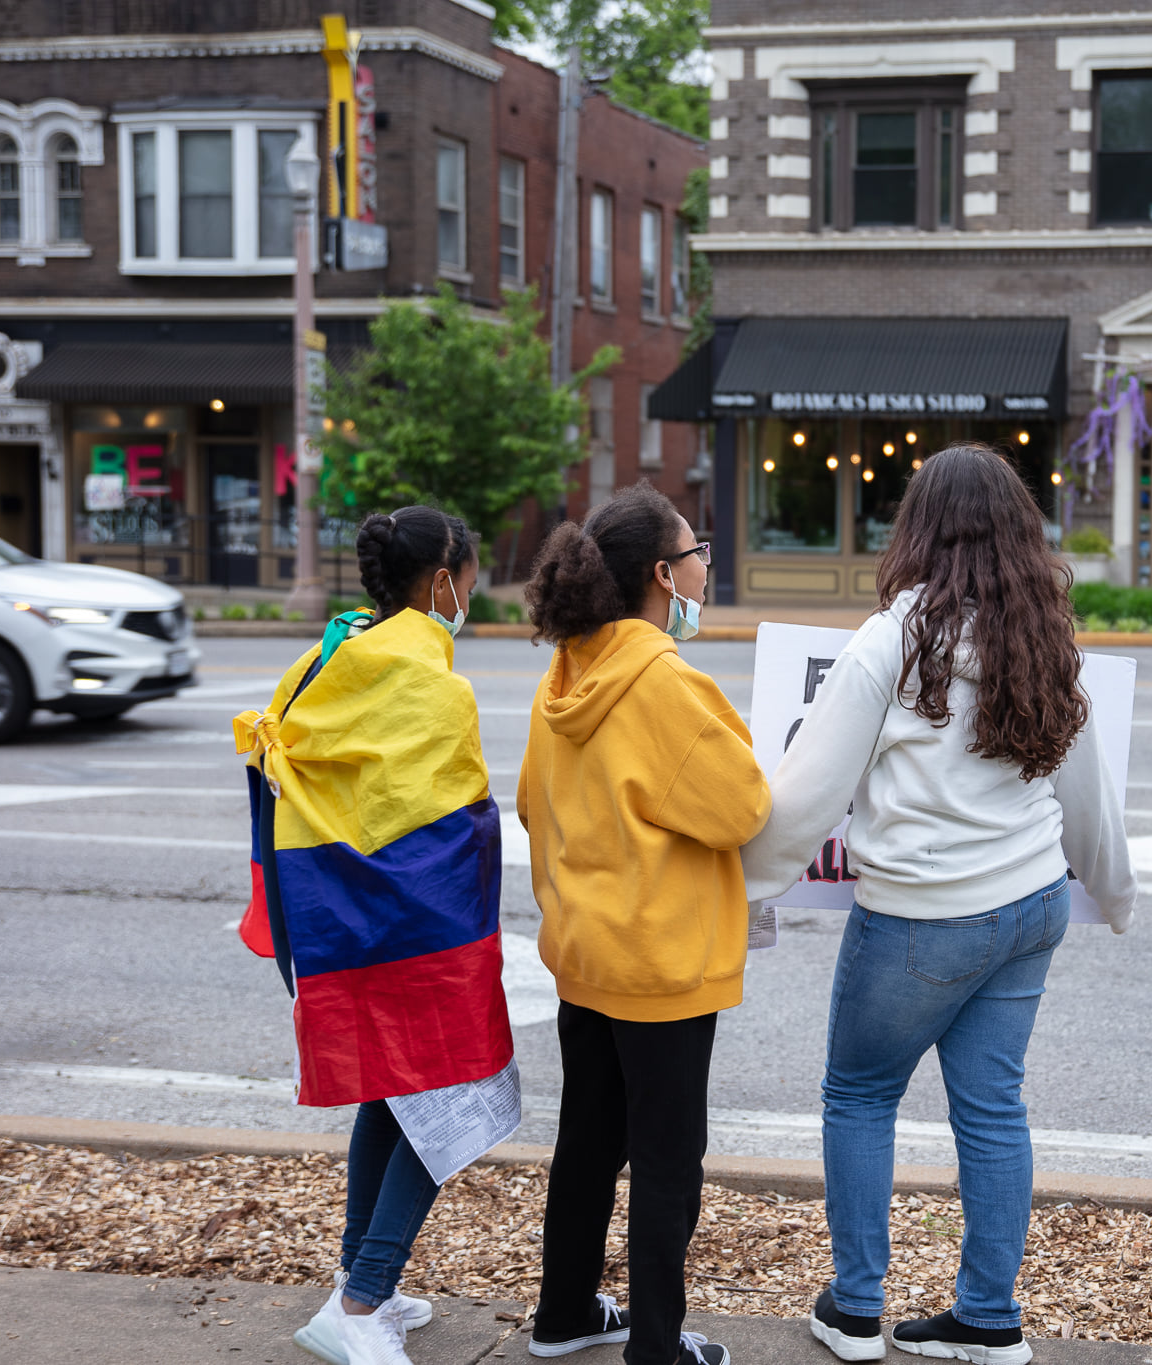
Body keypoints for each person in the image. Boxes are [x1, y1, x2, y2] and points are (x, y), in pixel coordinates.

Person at [741, 445, 1136, 1365]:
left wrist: (743, 878)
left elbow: (809, 796)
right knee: (994, 1109)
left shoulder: (890, 639)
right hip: (1032, 904)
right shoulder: (1044, 637)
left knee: (860, 1092)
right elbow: (1089, 797)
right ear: (1018, 532)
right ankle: (989, 1315)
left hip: (923, 914)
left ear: (917, 526)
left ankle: (854, 1308)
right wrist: (1112, 896)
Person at [233, 506, 508, 1365]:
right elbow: (457, 823)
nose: (473, 590)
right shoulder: (431, 683)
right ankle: (361, 1301)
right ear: (440, 583)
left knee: (390, 1094)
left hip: (331, 924)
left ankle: (360, 1286)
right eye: (469, 575)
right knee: (447, 1098)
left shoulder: (329, 658)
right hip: (417, 935)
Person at [516, 481, 771, 1365]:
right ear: (665, 574)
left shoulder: (570, 668)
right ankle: (658, 1348)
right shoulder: (661, 678)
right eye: (698, 549)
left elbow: (531, 802)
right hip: (663, 962)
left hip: (586, 950)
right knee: (668, 1160)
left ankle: (563, 1314)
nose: (707, 562)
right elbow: (740, 806)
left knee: (588, 1138)